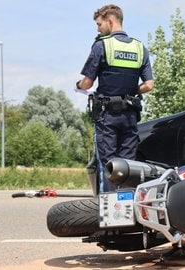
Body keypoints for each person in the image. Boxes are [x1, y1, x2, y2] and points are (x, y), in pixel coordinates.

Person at [75, 4, 154, 192]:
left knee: (109, 164)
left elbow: (87, 83)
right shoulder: (139, 48)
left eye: (99, 24)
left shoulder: (102, 46)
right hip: (130, 115)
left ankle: (111, 212)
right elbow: (149, 85)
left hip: (107, 116)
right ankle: (128, 208)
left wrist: (78, 86)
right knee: (128, 164)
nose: (98, 29)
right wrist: (129, 92)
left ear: (110, 20)